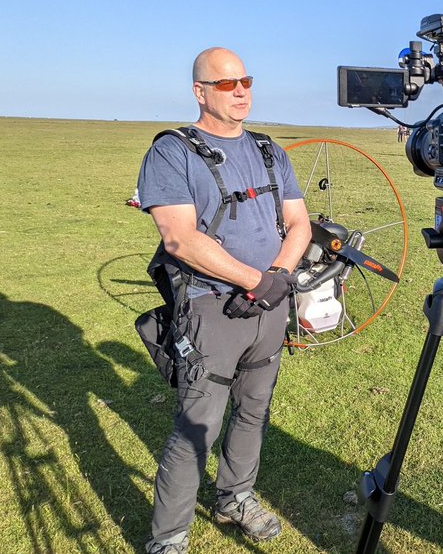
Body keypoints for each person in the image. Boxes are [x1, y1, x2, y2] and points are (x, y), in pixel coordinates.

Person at [137, 47, 311, 553]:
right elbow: (180, 240)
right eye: (227, 84)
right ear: (200, 92)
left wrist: (276, 277)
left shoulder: (267, 150)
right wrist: (255, 279)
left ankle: (235, 497)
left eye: (246, 81)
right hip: (212, 308)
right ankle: (168, 538)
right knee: (198, 424)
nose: (240, 92)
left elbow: (299, 222)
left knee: (254, 410)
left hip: (269, 304)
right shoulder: (172, 151)